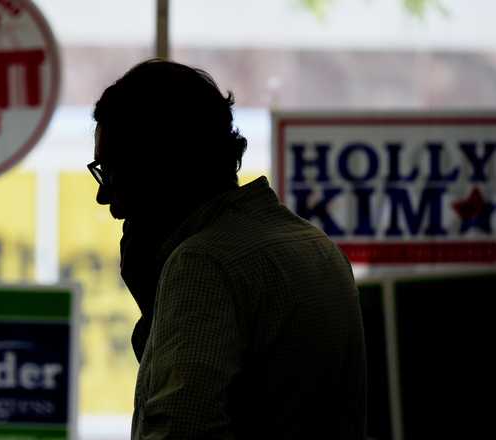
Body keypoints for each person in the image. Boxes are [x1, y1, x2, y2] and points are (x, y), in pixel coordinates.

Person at [89, 59, 366, 439]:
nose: (105, 197)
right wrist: (156, 304)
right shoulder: (313, 245)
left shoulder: (203, 264)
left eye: (113, 172)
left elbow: (179, 427)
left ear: (160, 165)